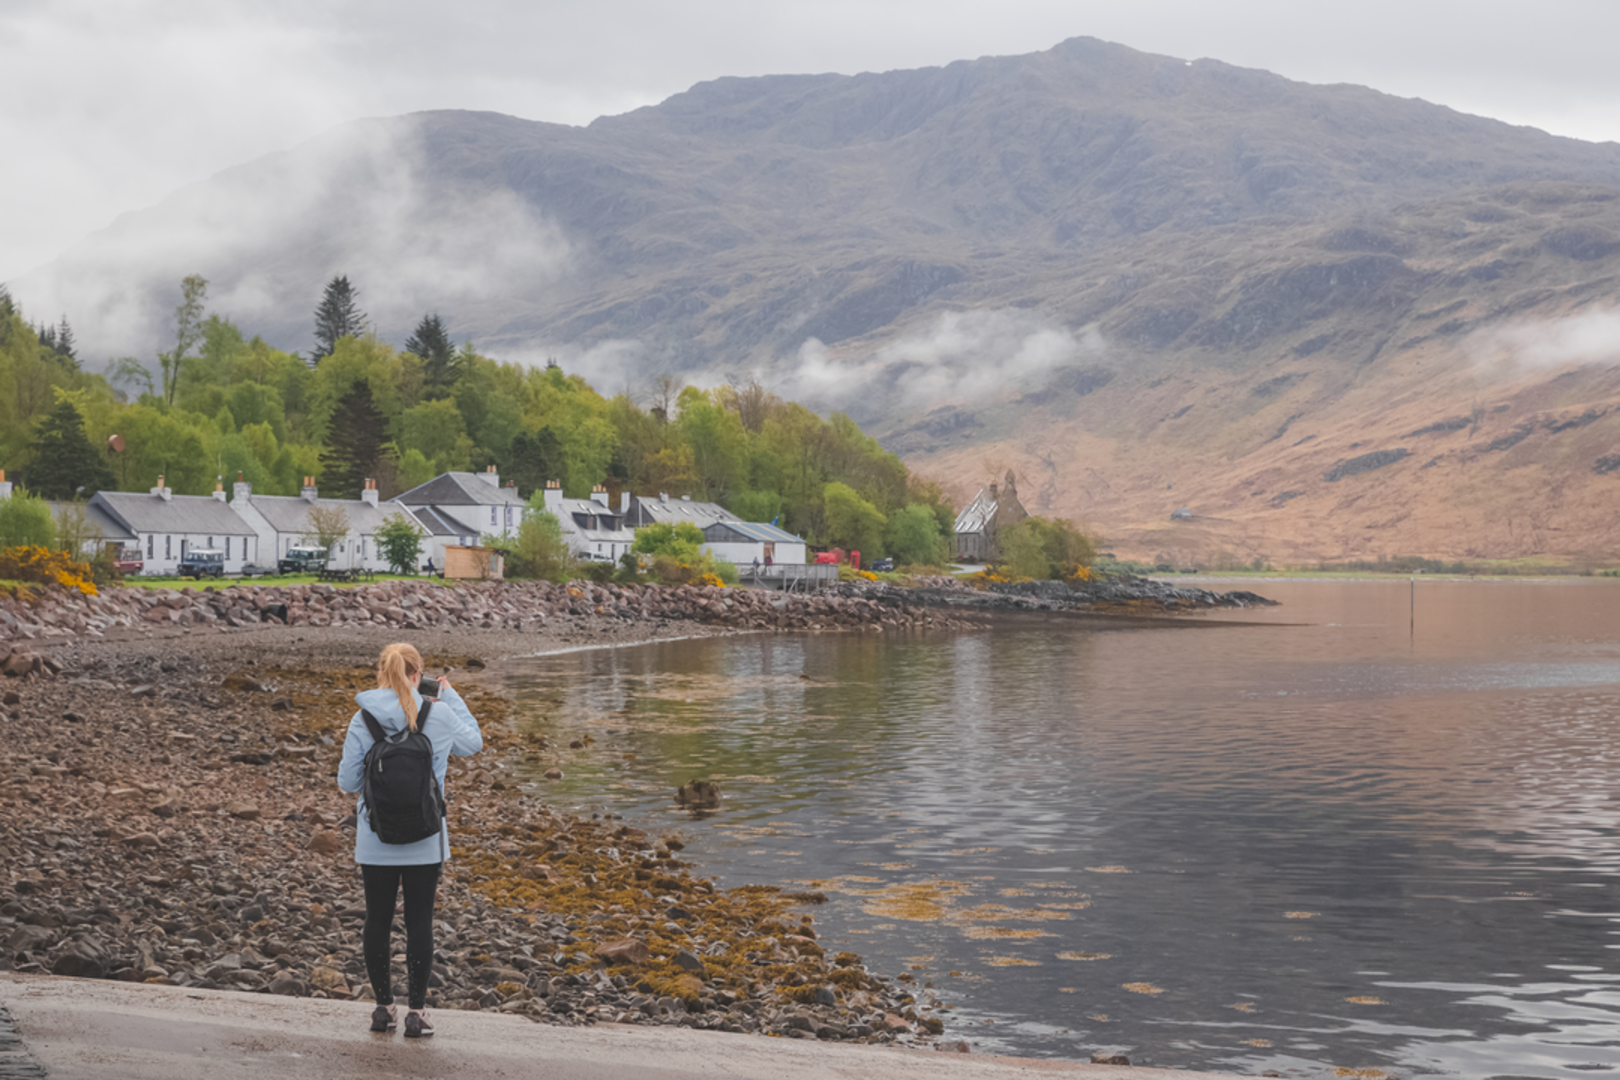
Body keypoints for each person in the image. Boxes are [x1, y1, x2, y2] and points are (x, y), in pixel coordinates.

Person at [338, 643, 483, 1038]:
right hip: (426, 836)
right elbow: (474, 744)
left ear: (382, 674)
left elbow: (347, 782)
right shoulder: (439, 712)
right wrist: (450, 694)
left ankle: (384, 1009)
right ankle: (417, 1015)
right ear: (419, 675)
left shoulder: (363, 718)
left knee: (377, 920)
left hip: (375, 837)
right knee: (420, 922)